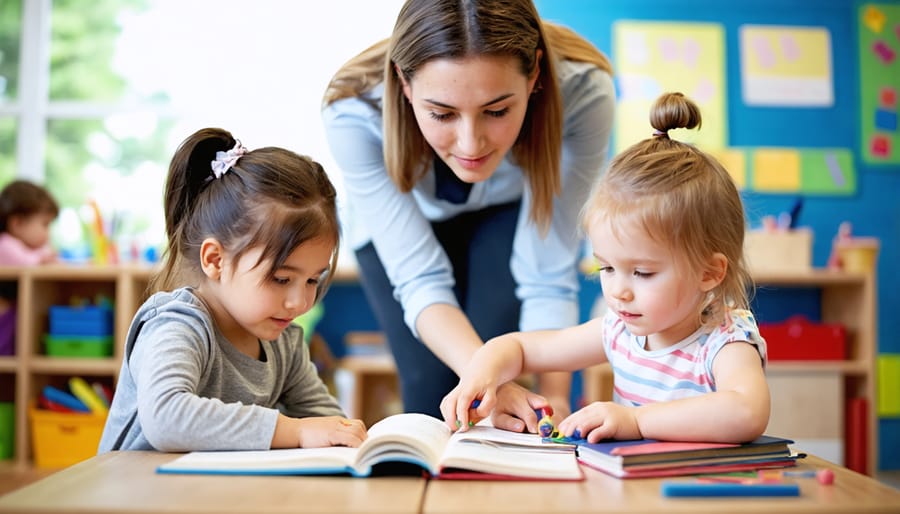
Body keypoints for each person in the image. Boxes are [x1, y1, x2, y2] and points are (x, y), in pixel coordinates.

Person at [321, 0, 615, 433]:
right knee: (434, 394)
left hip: (506, 212)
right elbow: (420, 279)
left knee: (504, 382)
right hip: (402, 232)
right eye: (441, 113)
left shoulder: (583, 93)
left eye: (497, 111)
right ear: (403, 82)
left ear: (534, 74)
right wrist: (487, 380)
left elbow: (548, 271)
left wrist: (551, 397)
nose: (471, 143)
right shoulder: (353, 110)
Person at [441, 92, 770, 444]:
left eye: (642, 273)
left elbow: (747, 412)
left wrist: (636, 420)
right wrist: (481, 373)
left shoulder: (723, 342)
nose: (618, 290)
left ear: (709, 273)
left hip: (703, 494)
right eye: (607, 269)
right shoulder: (620, 332)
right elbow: (520, 349)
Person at [99, 128, 367, 453]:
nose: (300, 302)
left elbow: (323, 421)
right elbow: (166, 417)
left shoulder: (284, 343)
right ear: (215, 260)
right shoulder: (177, 325)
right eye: (281, 279)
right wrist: (294, 431)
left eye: (313, 280)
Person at [0, 179, 59, 266]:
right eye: (45, 224)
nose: (48, 232)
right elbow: (23, 263)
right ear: (17, 224)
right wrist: (43, 260)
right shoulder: (5, 245)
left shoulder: (31, 248)